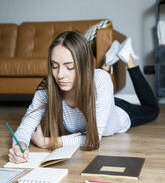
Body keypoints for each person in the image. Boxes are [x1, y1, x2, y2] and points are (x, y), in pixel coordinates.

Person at [8, 31, 159, 164]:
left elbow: (94, 139)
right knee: (98, 78)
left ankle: (129, 59)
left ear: (83, 64)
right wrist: (18, 145)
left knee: (153, 110)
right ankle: (108, 61)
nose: (60, 75)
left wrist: (47, 142)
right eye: (55, 66)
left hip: (120, 112)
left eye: (69, 66)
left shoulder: (101, 80)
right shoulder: (48, 86)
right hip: (97, 96)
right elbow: (27, 123)